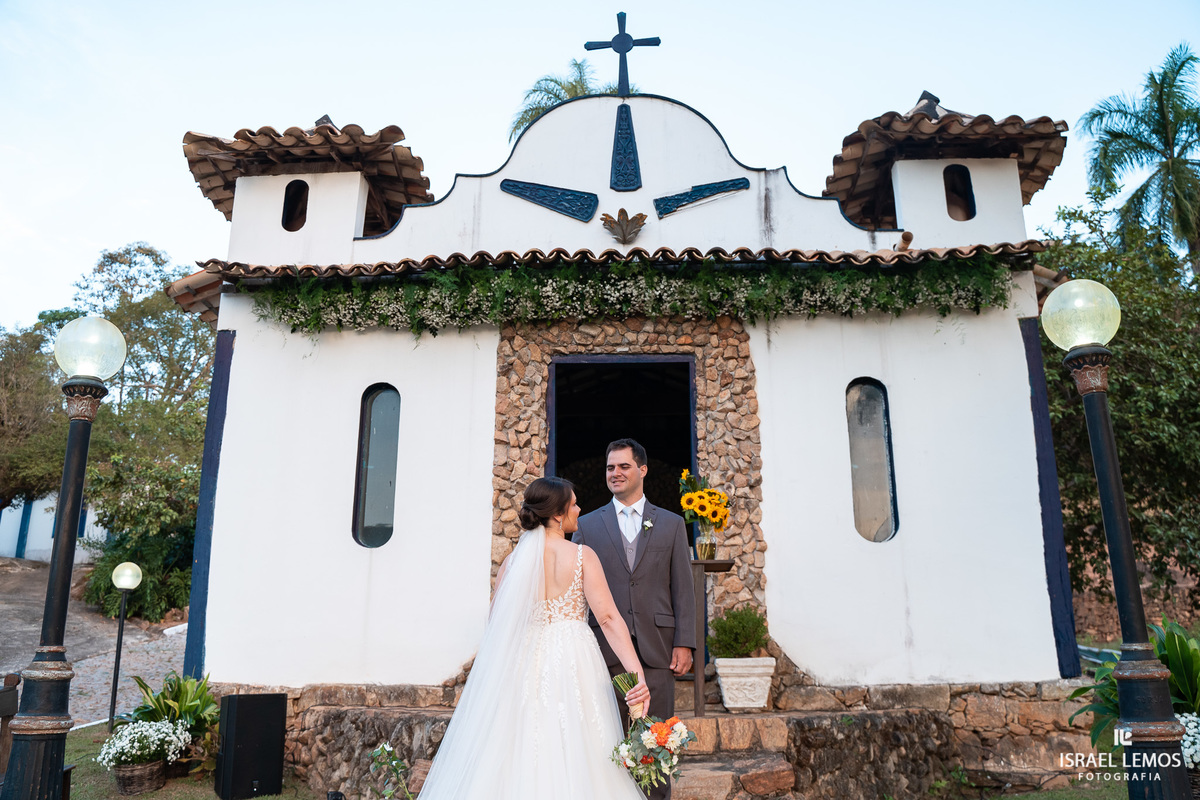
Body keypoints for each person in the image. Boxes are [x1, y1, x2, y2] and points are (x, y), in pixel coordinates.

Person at [416, 476, 651, 799]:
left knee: (520, 744)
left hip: (525, 662)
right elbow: (609, 619)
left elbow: (497, 626)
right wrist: (636, 676)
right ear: (557, 515)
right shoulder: (582, 556)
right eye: (574, 504)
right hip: (574, 661)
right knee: (581, 744)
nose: (579, 509)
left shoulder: (512, 563)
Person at [573, 438, 696, 800]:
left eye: (624, 466)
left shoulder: (671, 524)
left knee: (657, 743)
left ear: (642, 470)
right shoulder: (588, 525)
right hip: (604, 652)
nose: (615, 473)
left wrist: (685, 642)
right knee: (608, 741)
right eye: (610, 467)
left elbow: (683, 589)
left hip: (658, 650)